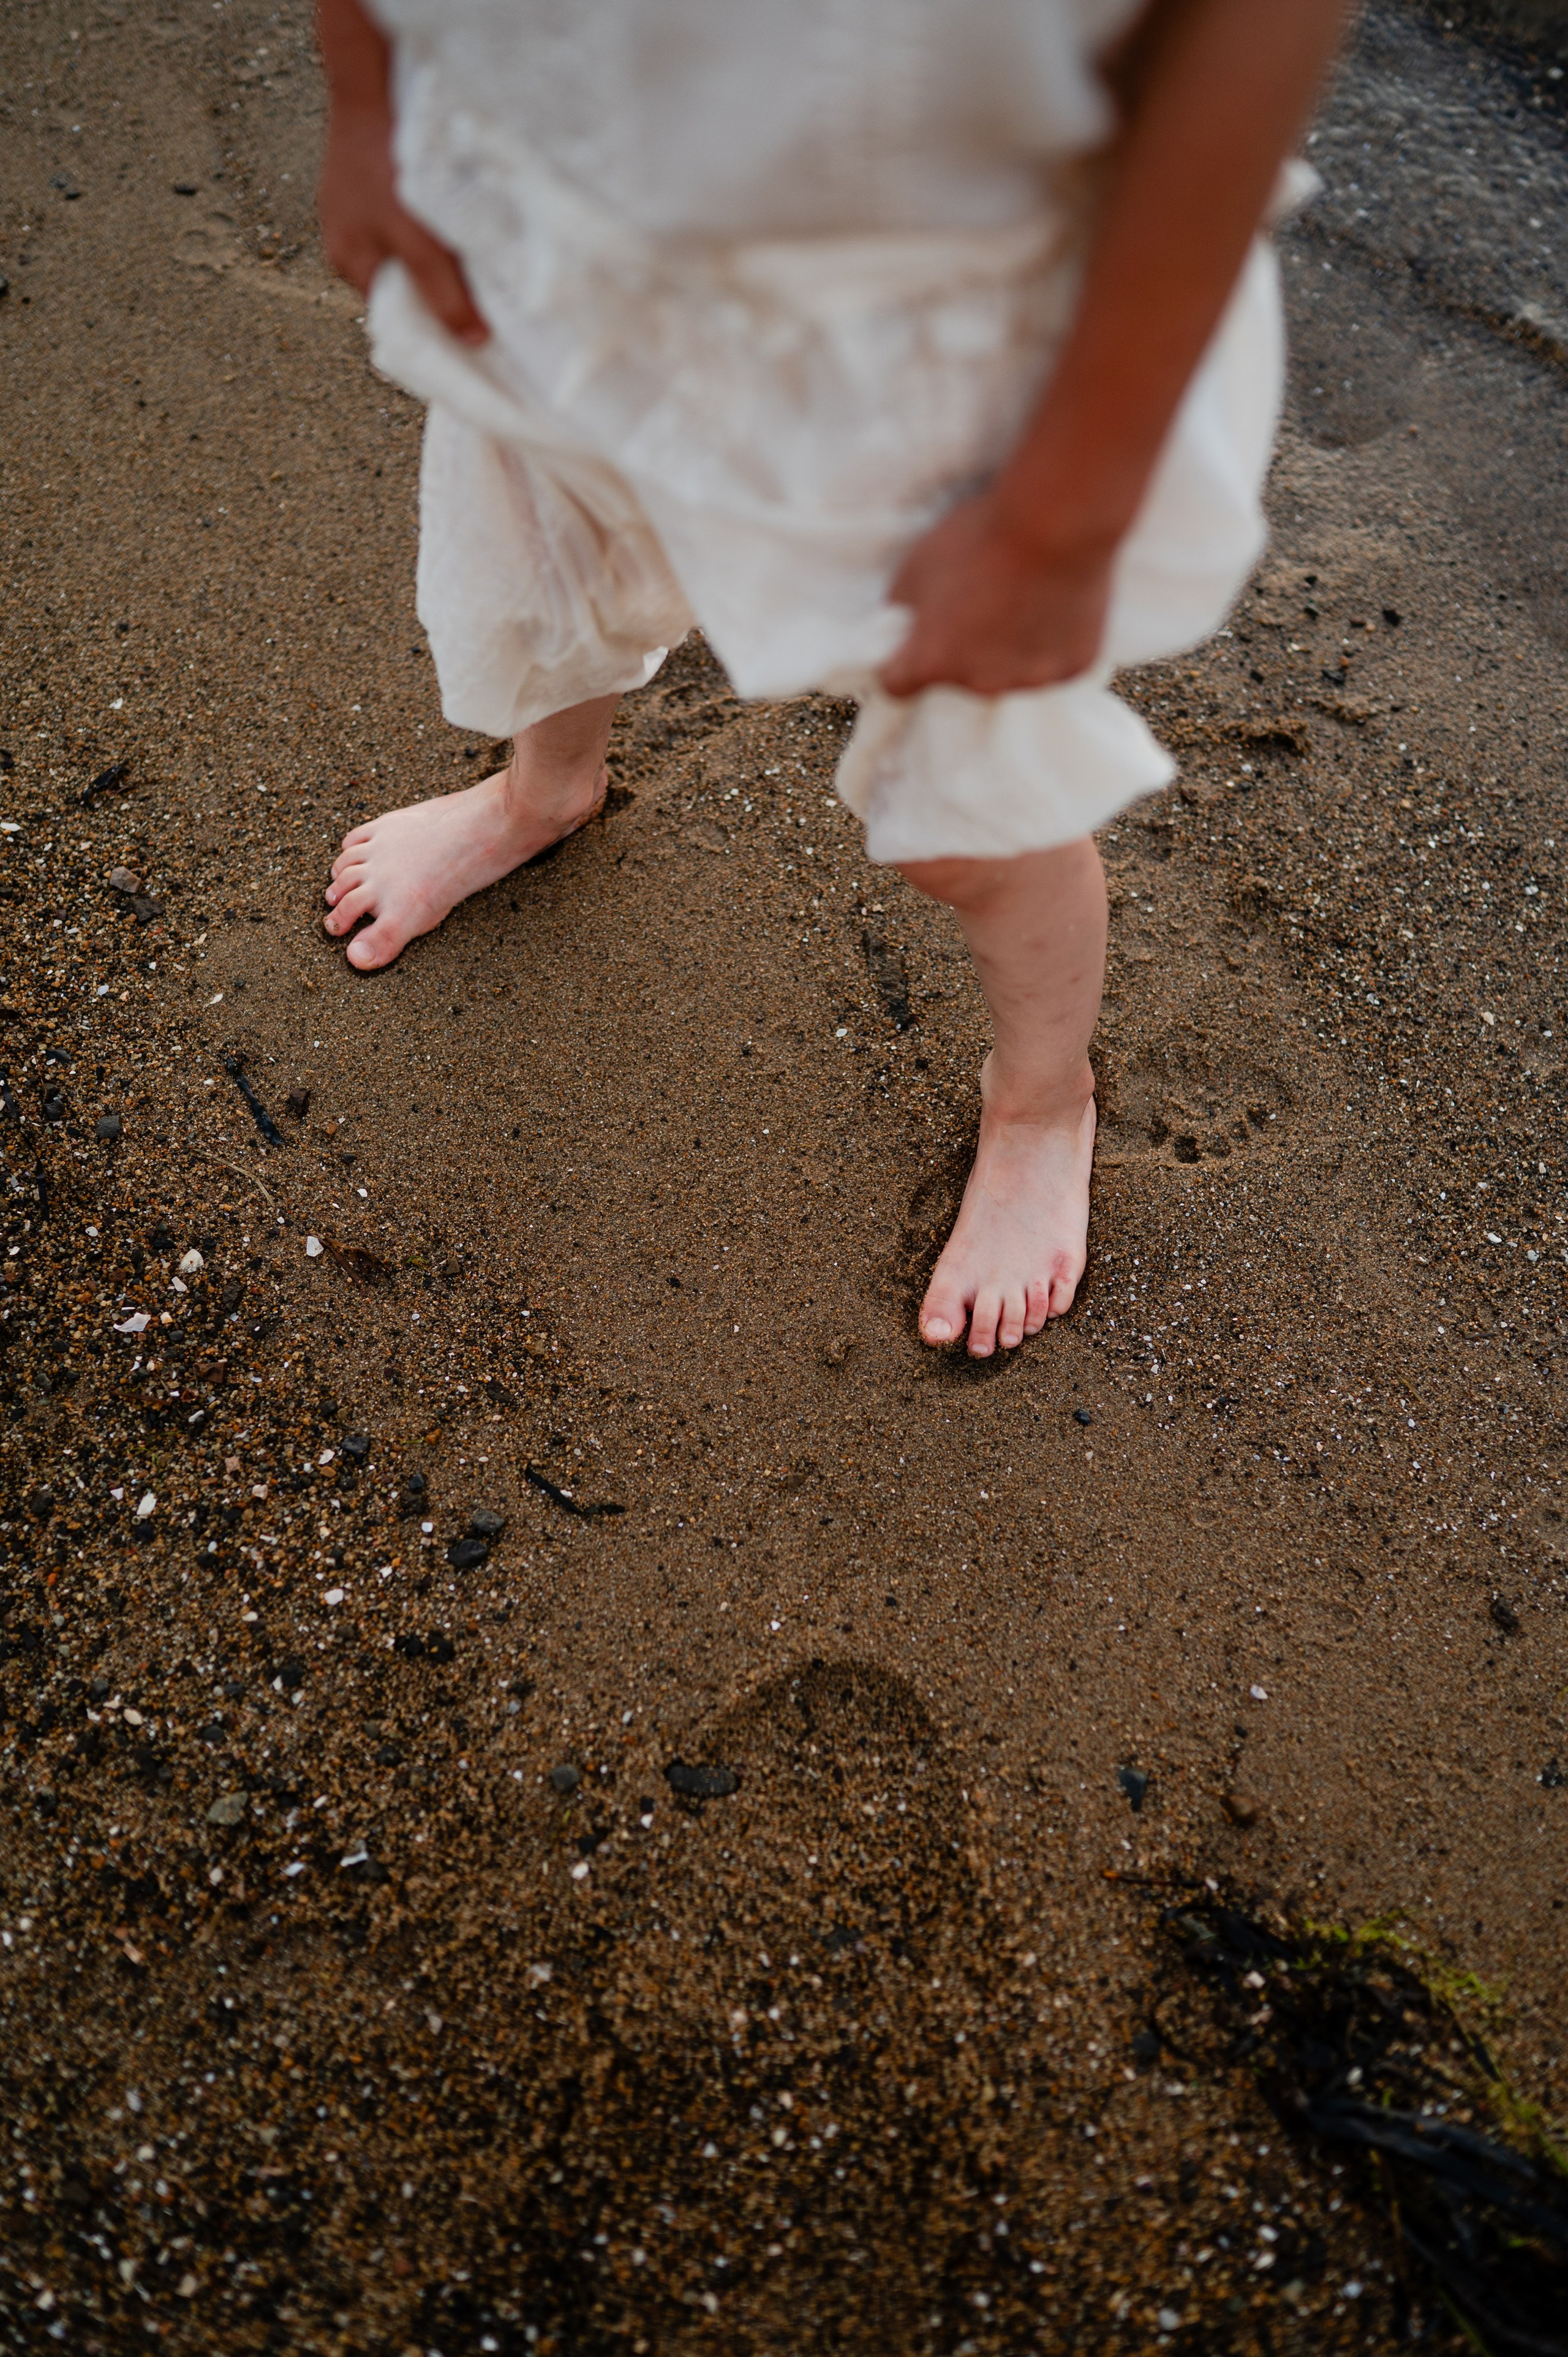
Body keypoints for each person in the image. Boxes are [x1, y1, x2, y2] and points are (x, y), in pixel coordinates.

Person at [314, 0, 1345, 1357]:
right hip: (546, 201)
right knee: (540, 552)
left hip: (922, 305)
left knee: (968, 789)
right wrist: (369, 94)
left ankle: (1041, 1097)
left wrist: (1067, 502)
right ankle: (541, 792)